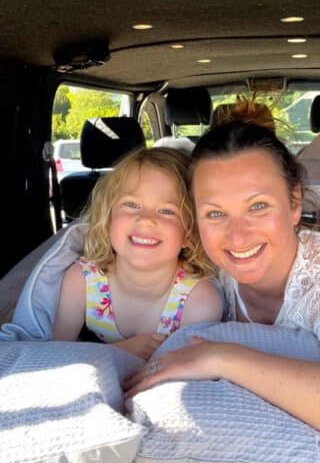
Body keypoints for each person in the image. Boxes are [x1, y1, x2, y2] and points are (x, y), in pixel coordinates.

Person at [122, 122, 320, 454]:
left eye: (257, 207)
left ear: (295, 202)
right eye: (215, 213)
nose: (238, 237)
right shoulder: (202, 258)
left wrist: (221, 357)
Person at [52, 147, 224, 361]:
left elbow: (182, 374)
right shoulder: (81, 281)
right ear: (108, 218)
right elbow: (55, 356)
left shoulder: (198, 301)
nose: (145, 219)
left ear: (190, 233)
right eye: (131, 205)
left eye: (167, 210)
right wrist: (122, 351)